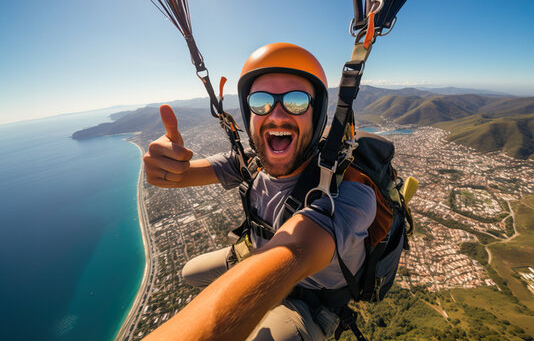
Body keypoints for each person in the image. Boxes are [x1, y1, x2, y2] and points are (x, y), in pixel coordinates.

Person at [141, 43, 377, 340]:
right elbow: (181, 175)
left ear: (316, 115)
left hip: (310, 298)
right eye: (261, 102)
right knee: (190, 272)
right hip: (256, 252)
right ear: (248, 113)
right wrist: (165, 168)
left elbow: (297, 251)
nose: (276, 115)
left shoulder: (349, 192)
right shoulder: (249, 164)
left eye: (296, 101)